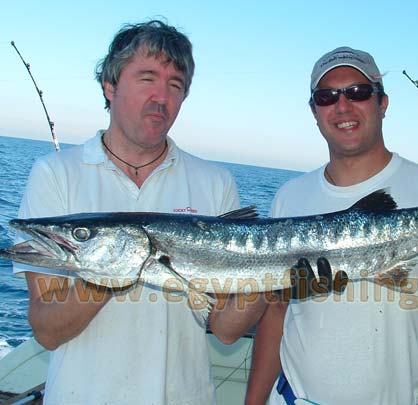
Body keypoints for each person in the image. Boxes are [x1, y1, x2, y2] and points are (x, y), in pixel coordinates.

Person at [13, 20, 263, 404]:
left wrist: (276, 281)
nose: (161, 97)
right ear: (110, 86)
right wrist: (110, 269)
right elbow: (46, 329)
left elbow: (226, 329)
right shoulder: (55, 175)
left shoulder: (215, 182)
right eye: (147, 78)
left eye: (175, 85)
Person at [245, 47, 418, 405]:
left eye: (359, 92)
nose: (343, 106)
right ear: (314, 112)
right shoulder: (289, 196)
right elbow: (278, 312)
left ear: (382, 103)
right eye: (327, 96)